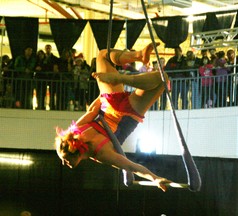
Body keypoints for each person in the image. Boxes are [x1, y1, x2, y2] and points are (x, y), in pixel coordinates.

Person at [55, 42, 171, 192]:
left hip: (127, 114)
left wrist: (154, 178)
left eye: (65, 159)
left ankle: (127, 73)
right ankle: (134, 60)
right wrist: (103, 92)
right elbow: (92, 111)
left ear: (75, 153)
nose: (65, 164)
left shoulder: (101, 153)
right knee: (103, 55)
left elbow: (130, 166)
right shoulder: (76, 129)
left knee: (163, 79)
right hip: (110, 102)